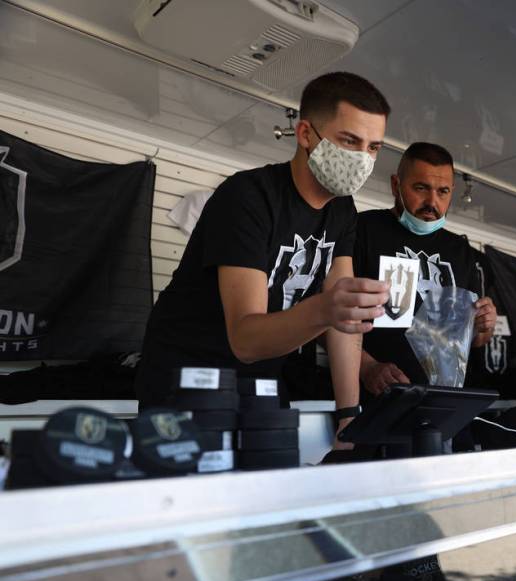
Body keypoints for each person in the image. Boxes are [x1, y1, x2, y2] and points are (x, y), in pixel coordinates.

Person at [136, 72, 391, 431]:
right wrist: (324, 308)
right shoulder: (247, 196)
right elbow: (245, 339)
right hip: (187, 377)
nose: (362, 158)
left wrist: (348, 418)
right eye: (349, 140)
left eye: (373, 147)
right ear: (305, 134)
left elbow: (343, 320)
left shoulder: (343, 211)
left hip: (261, 379)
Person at [353, 142, 497, 394]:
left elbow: (473, 341)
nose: (432, 201)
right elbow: (325, 313)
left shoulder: (460, 249)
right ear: (396, 185)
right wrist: (366, 367)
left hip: (444, 400)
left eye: (443, 192)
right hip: (378, 399)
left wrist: (485, 326)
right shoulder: (362, 229)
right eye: (421, 188)